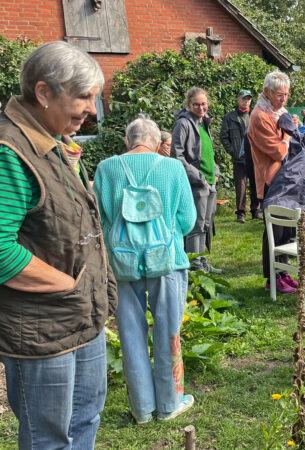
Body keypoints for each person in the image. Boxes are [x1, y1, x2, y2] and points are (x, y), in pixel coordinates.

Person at [0, 40, 116, 449]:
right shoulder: (9, 151)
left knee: (85, 420)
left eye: (94, 98)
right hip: (42, 330)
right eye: (83, 97)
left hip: (83, 321)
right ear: (44, 92)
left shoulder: (53, 141)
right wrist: (70, 286)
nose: (91, 110)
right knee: (48, 438)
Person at [94, 115, 196, 424]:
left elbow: (99, 219)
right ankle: (169, 404)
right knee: (169, 332)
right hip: (167, 260)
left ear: (127, 141)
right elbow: (188, 219)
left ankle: (142, 409)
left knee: (129, 333)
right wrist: (167, 235)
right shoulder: (172, 168)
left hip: (122, 262)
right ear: (155, 143)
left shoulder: (106, 169)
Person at [247, 70, 299, 294]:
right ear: (267, 92)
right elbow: (278, 152)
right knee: (274, 230)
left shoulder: (278, 113)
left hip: (285, 178)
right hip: (271, 180)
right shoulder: (259, 116)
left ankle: (283, 271)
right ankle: (272, 278)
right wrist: (287, 134)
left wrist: (291, 123)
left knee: (287, 230)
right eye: (279, 95)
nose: (284, 99)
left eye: (286, 94)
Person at [171, 86, 222, 274]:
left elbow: (208, 152)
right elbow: (177, 156)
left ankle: (202, 261)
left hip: (210, 181)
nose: (201, 108)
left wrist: (215, 170)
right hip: (196, 183)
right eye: (196, 105)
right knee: (196, 225)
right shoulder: (183, 124)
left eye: (204, 104)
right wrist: (198, 177)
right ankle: (195, 265)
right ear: (188, 104)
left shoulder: (203, 123)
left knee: (206, 224)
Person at [220, 89, 253, 223]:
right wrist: (232, 150)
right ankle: (241, 213)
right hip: (238, 158)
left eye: (248, 99)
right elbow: (223, 136)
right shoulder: (230, 117)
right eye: (243, 98)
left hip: (254, 157)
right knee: (241, 186)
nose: (246, 101)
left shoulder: (255, 115)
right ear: (238, 100)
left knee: (256, 185)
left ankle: (256, 211)